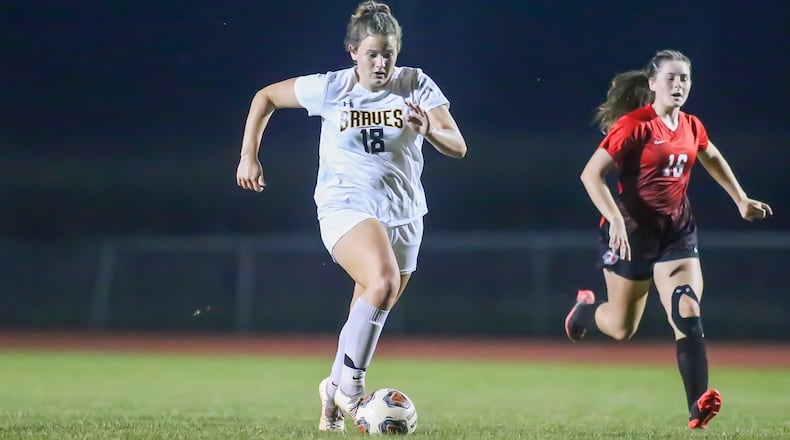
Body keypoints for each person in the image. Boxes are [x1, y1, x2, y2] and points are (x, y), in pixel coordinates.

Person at [235, 0, 467, 432]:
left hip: (405, 214)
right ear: (353, 52)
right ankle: (352, 393)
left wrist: (430, 129)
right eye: (372, 53)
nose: (381, 62)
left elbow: (458, 146)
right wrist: (249, 156)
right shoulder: (332, 88)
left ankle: (331, 392)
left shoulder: (415, 84)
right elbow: (264, 97)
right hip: (345, 206)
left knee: (371, 304)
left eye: (389, 53)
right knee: (382, 282)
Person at [564, 49, 773, 429]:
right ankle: (584, 313)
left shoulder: (692, 125)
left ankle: (698, 406)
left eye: (685, 79)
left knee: (687, 308)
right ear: (653, 84)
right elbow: (590, 174)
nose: (679, 85)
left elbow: (711, 156)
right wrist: (613, 218)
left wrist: (740, 198)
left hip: (678, 234)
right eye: (671, 78)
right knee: (622, 328)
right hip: (630, 235)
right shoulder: (635, 125)